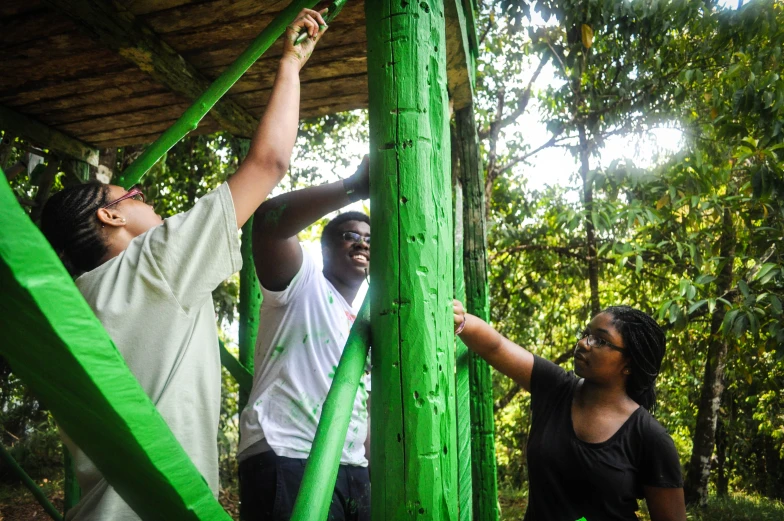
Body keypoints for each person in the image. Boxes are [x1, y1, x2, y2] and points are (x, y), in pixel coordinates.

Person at [39, 10, 328, 520]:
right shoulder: (152, 266)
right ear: (111, 216)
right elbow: (269, 163)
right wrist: (289, 63)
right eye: (133, 194)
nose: (147, 198)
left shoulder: (70, 313)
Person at [453, 300, 687, 521]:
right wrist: (461, 320)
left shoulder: (649, 437)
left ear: (629, 364)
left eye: (600, 341)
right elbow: (496, 347)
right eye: (586, 335)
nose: (584, 343)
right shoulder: (555, 388)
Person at [237, 157, 371, 521]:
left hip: (352, 468)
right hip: (287, 453)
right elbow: (268, 223)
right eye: (350, 236)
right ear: (326, 248)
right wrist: (355, 185)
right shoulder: (304, 281)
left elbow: (364, 404)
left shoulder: (368, 321)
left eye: (370, 239)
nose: (362, 243)